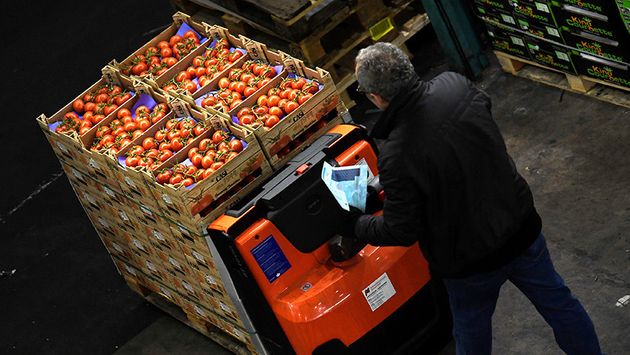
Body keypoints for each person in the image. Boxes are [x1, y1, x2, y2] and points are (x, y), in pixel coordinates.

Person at [339, 42, 602, 355]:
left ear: (377, 97)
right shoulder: (455, 85)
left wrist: (357, 225)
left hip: (470, 262)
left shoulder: (397, 155)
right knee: (560, 304)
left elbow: (401, 229)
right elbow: (464, 131)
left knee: (471, 334)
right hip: (519, 226)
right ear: (408, 69)